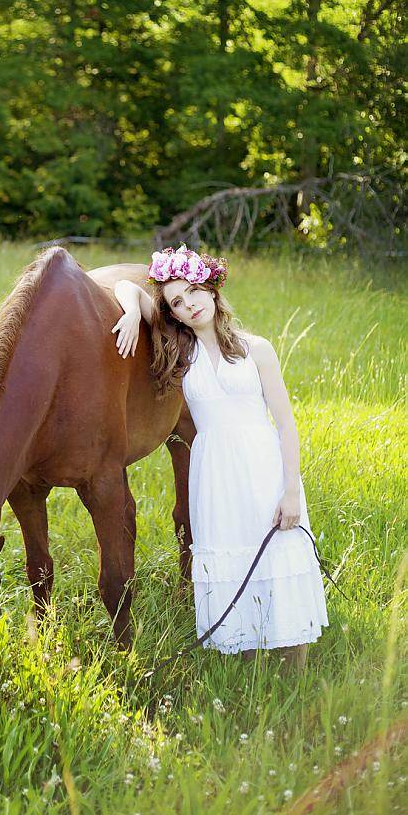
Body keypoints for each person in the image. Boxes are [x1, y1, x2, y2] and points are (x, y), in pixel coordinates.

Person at [111, 245, 328, 670]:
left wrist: (290, 491)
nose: (188, 304)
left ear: (210, 290)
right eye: (176, 301)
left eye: (193, 291)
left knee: (278, 553)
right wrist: (135, 313)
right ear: (171, 313)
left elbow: (285, 424)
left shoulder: (257, 349)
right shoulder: (181, 355)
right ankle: (247, 658)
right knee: (233, 553)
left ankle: (294, 662)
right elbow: (124, 285)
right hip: (214, 471)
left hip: (261, 463)